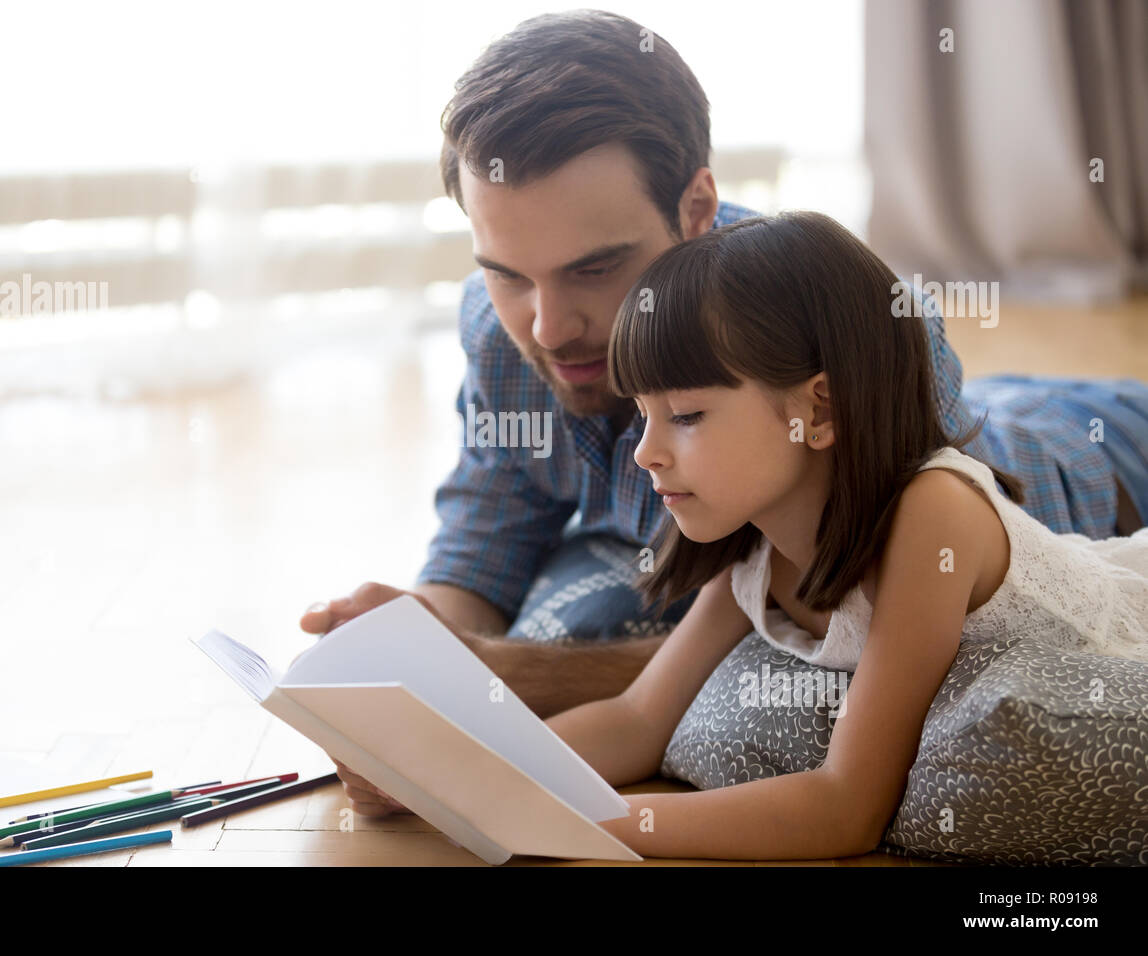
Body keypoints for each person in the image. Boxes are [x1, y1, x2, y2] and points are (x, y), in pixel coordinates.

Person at [298, 10, 1148, 818]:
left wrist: (506, 679)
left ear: (696, 208)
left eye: (595, 269)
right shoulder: (501, 331)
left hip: (1098, 461)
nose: (548, 328)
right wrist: (413, 662)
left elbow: (844, 652)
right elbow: (489, 533)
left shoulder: (864, 340)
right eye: (508, 272)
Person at [321, 211, 1148, 858]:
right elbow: (635, 719)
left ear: (816, 410)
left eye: (685, 415)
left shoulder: (930, 518)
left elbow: (846, 809)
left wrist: (603, 824)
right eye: (643, 414)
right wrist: (453, 775)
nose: (646, 452)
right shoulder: (755, 548)